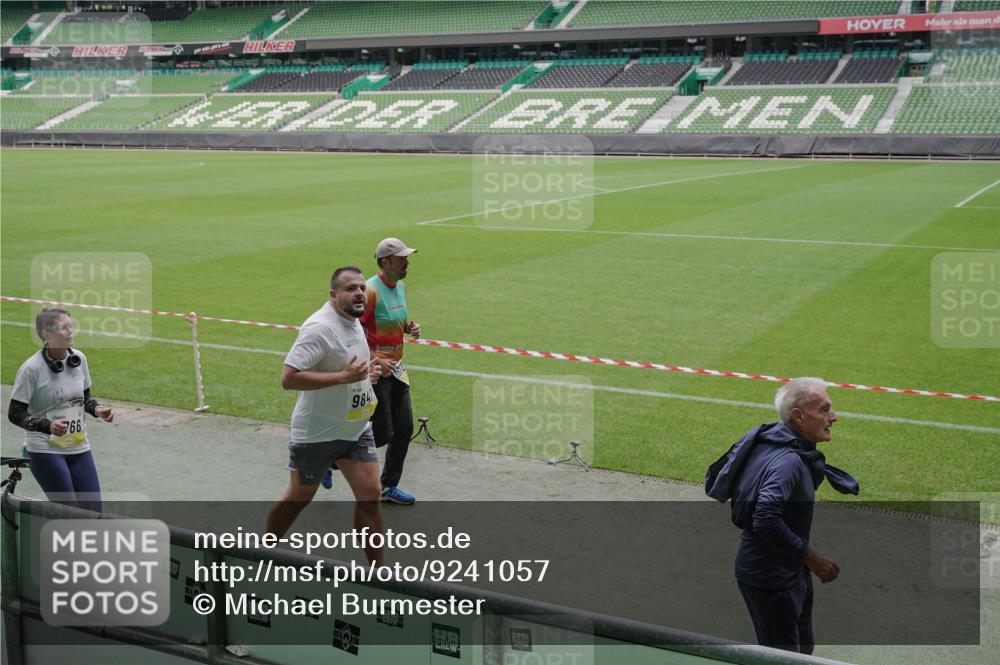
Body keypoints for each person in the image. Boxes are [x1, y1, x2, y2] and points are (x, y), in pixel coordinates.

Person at [705, 377, 859, 654]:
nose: (833, 417)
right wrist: (814, 559)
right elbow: (765, 517)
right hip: (770, 579)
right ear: (798, 416)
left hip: (787, 569)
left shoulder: (775, 439)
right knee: (783, 657)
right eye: (824, 410)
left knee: (802, 650)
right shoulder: (788, 462)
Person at [266, 267, 385, 565]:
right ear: (333, 295)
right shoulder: (319, 328)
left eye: (361, 287)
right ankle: (263, 552)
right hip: (317, 433)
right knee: (300, 496)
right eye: (349, 289)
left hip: (355, 427)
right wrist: (342, 377)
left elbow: (348, 366)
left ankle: (379, 573)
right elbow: (289, 378)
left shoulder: (354, 320)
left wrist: (366, 374)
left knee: (370, 494)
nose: (358, 293)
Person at [7, 308, 114, 512]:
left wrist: (97, 409)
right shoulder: (32, 368)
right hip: (44, 448)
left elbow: (85, 398)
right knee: (69, 511)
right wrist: (46, 426)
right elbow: (15, 412)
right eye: (63, 328)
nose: (70, 331)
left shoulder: (79, 359)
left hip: (78, 445)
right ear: (46, 334)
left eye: (71, 326)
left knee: (93, 510)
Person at [357, 237, 421, 505]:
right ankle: (330, 460)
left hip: (397, 369)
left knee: (404, 427)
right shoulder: (370, 290)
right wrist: (373, 359)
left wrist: (409, 327)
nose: (407, 262)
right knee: (379, 432)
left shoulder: (401, 286)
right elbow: (355, 330)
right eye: (402, 258)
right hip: (376, 372)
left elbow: (395, 319)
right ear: (386, 262)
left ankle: (388, 486)